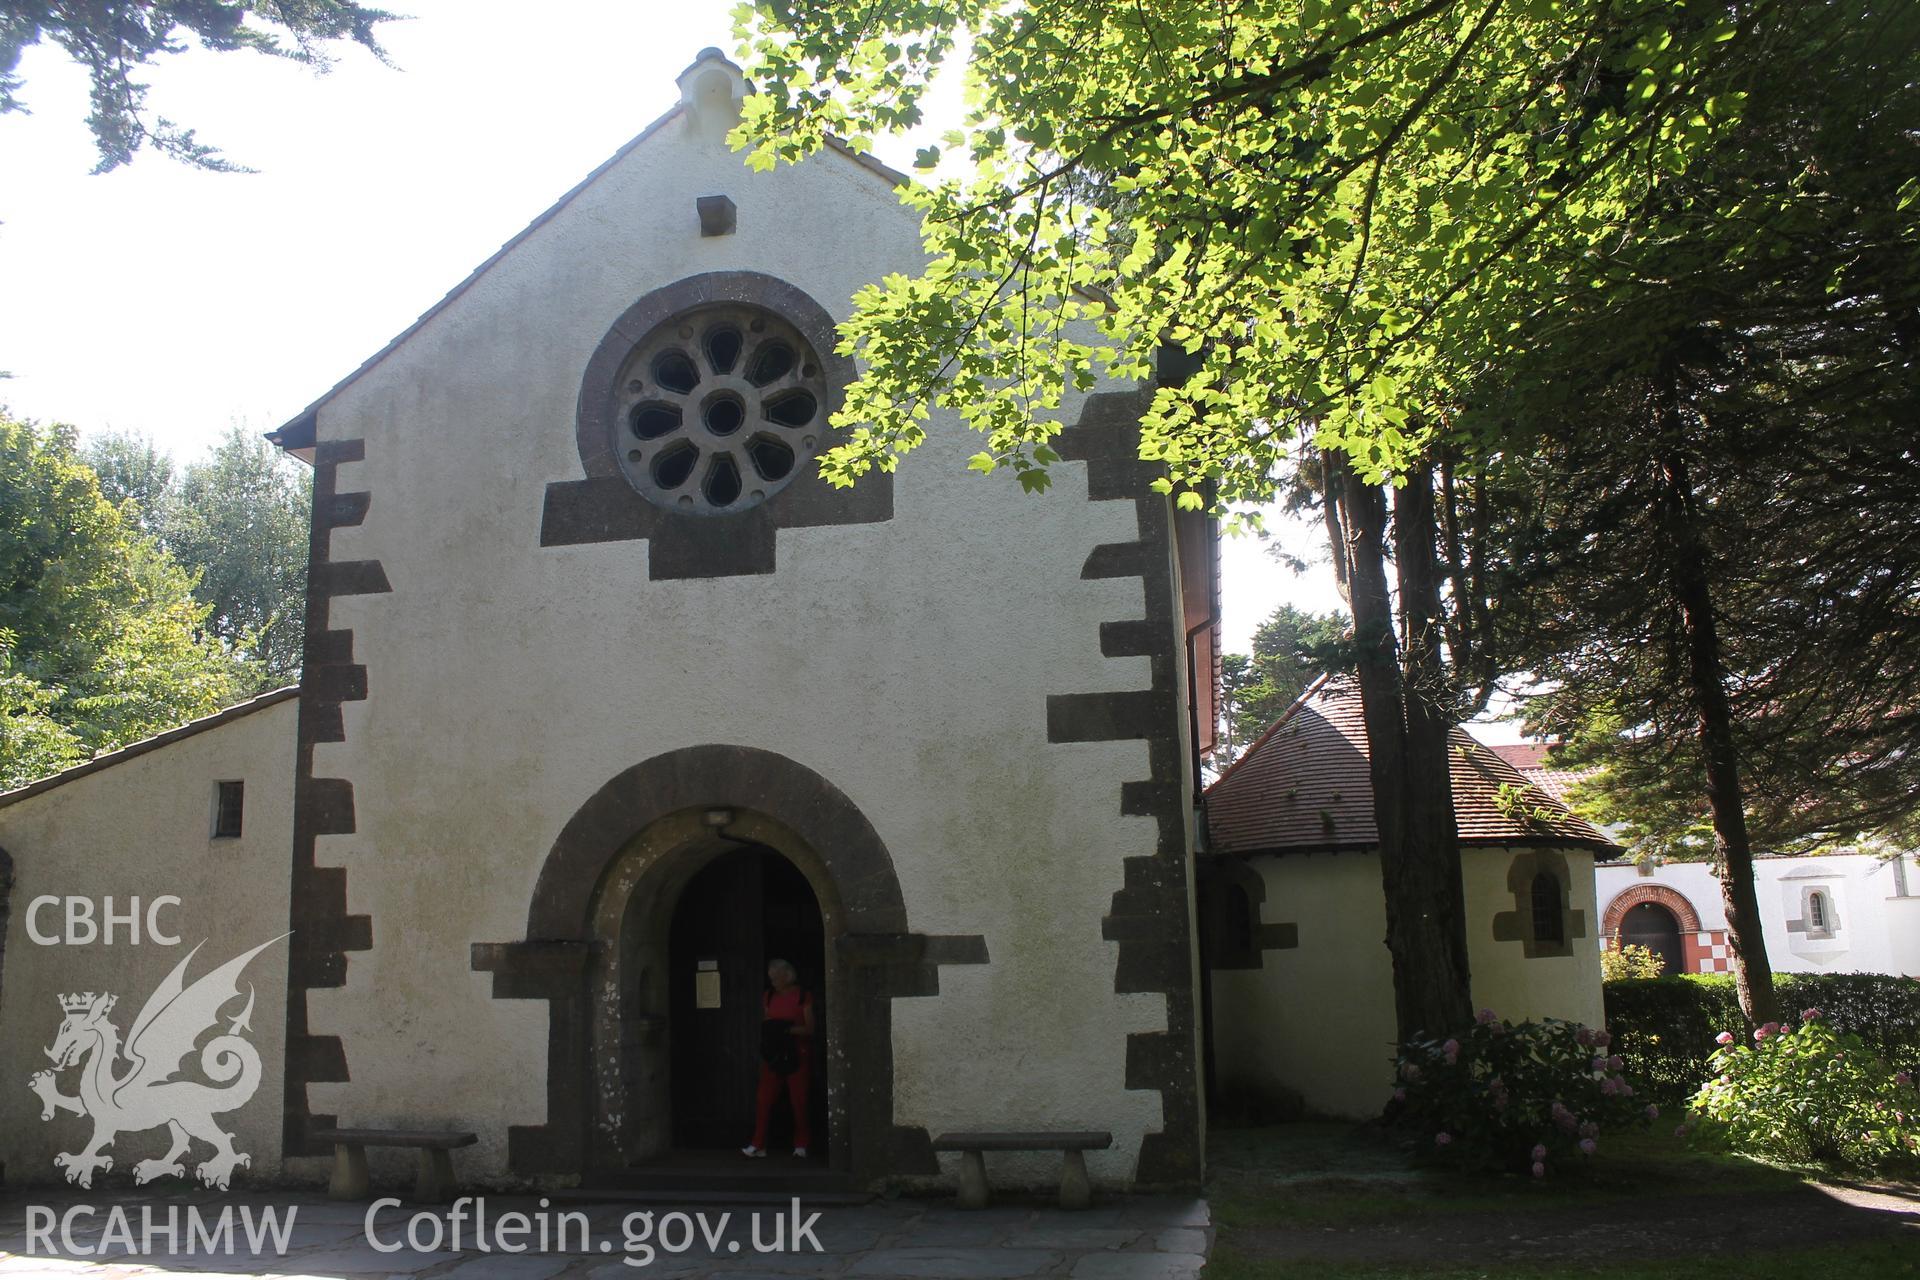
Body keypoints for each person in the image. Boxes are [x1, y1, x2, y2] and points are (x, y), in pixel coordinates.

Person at [742, 957, 814, 1158]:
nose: (772, 980)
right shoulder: (768, 996)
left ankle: (801, 1143)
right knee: (764, 1099)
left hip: (797, 1053)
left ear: (787, 976)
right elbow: (767, 1022)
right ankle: (758, 1144)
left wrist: (786, 1029)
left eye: (776, 977)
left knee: (798, 1100)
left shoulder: (802, 996)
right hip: (774, 1054)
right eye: (771, 977)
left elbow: (810, 1028)